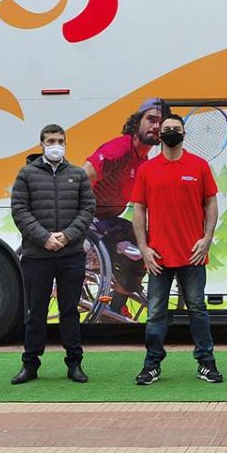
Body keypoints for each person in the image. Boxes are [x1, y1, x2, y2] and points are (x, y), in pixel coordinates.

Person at [132, 114, 223, 385]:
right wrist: (144, 249)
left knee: (197, 309)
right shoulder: (148, 169)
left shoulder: (199, 166)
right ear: (160, 134)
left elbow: (211, 205)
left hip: (192, 255)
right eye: (167, 129)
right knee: (156, 312)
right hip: (158, 256)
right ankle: (151, 366)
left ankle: (206, 363)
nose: (172, 132)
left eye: (177, 129)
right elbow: (138, 210)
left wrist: (206, 239)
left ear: (185, 134)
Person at [9, 124, 96, 385]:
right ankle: (30, 365)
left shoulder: (78, 175)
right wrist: (44, 237)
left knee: (70, 311)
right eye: (50, 140)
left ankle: (74, 364)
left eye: (60, 140)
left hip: (71, 256)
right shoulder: (26, 174)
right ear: (41, 144)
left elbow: (88, 208)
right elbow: (19, 210)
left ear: (65, 144)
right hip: (37, 255)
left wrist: (67, 235)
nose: (55, 144)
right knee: (35, 312)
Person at [84, 98, 164, 320]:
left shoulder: (143, 160)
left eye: (161, 122)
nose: (156, 126)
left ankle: (114, 307)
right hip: (90, 220)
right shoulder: (119, 149)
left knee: (147, 247)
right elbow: (80, 179)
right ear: (137, 122)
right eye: (151, 119)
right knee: (134, 249)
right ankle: (114, 307)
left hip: (110, 221)